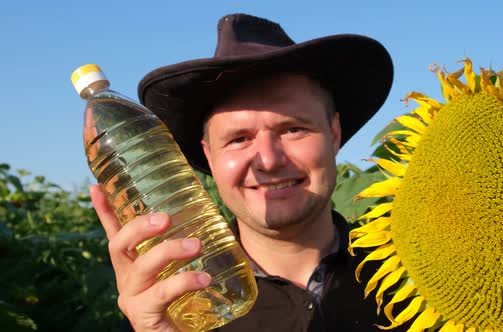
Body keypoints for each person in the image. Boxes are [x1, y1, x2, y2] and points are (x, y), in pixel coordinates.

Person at [90, 13, 403, 331]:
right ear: (209, 156)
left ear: (334, 134)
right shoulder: (186, 307)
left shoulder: (411, 276)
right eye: (238, 139)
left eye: (293, 129)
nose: (268, 160)